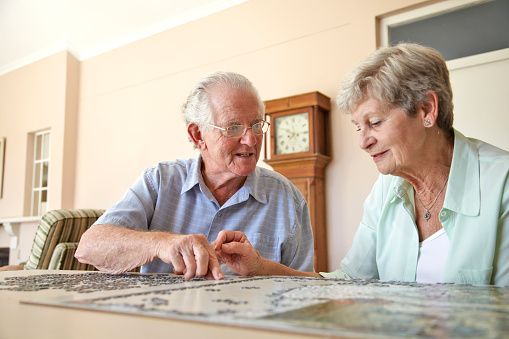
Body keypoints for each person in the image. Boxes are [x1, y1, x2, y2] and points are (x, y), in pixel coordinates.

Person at [214, 43, 509, 286]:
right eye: (358, 127)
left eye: (375, 122)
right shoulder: (387, 189)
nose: (363, 141)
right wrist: (260, 268)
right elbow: (351, 284)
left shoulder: (502, 183)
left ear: (426, 110)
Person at [75, 71, 314, 280]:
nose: (250, 139)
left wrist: (260, 268)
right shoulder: (160, 181)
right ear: (198, 135)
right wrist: (162, 243)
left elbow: (308, 285)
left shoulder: (287, 198)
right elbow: (89, 247)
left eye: (256, 125)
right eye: (233, 128)